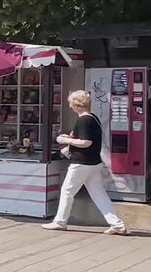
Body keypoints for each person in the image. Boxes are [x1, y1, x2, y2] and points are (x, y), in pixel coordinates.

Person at [44, 90, 128, 235]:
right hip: (94, 162)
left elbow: (86, 142)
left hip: (81, 163)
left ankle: (60, 221)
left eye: (71, 103)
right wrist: (70, 137)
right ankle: (117, 224)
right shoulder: (93, 118)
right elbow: (86, 138)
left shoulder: (83, 120)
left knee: (67, 191)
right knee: (98, 193)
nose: (70, 106)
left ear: (76, 105)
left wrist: (65, 140)